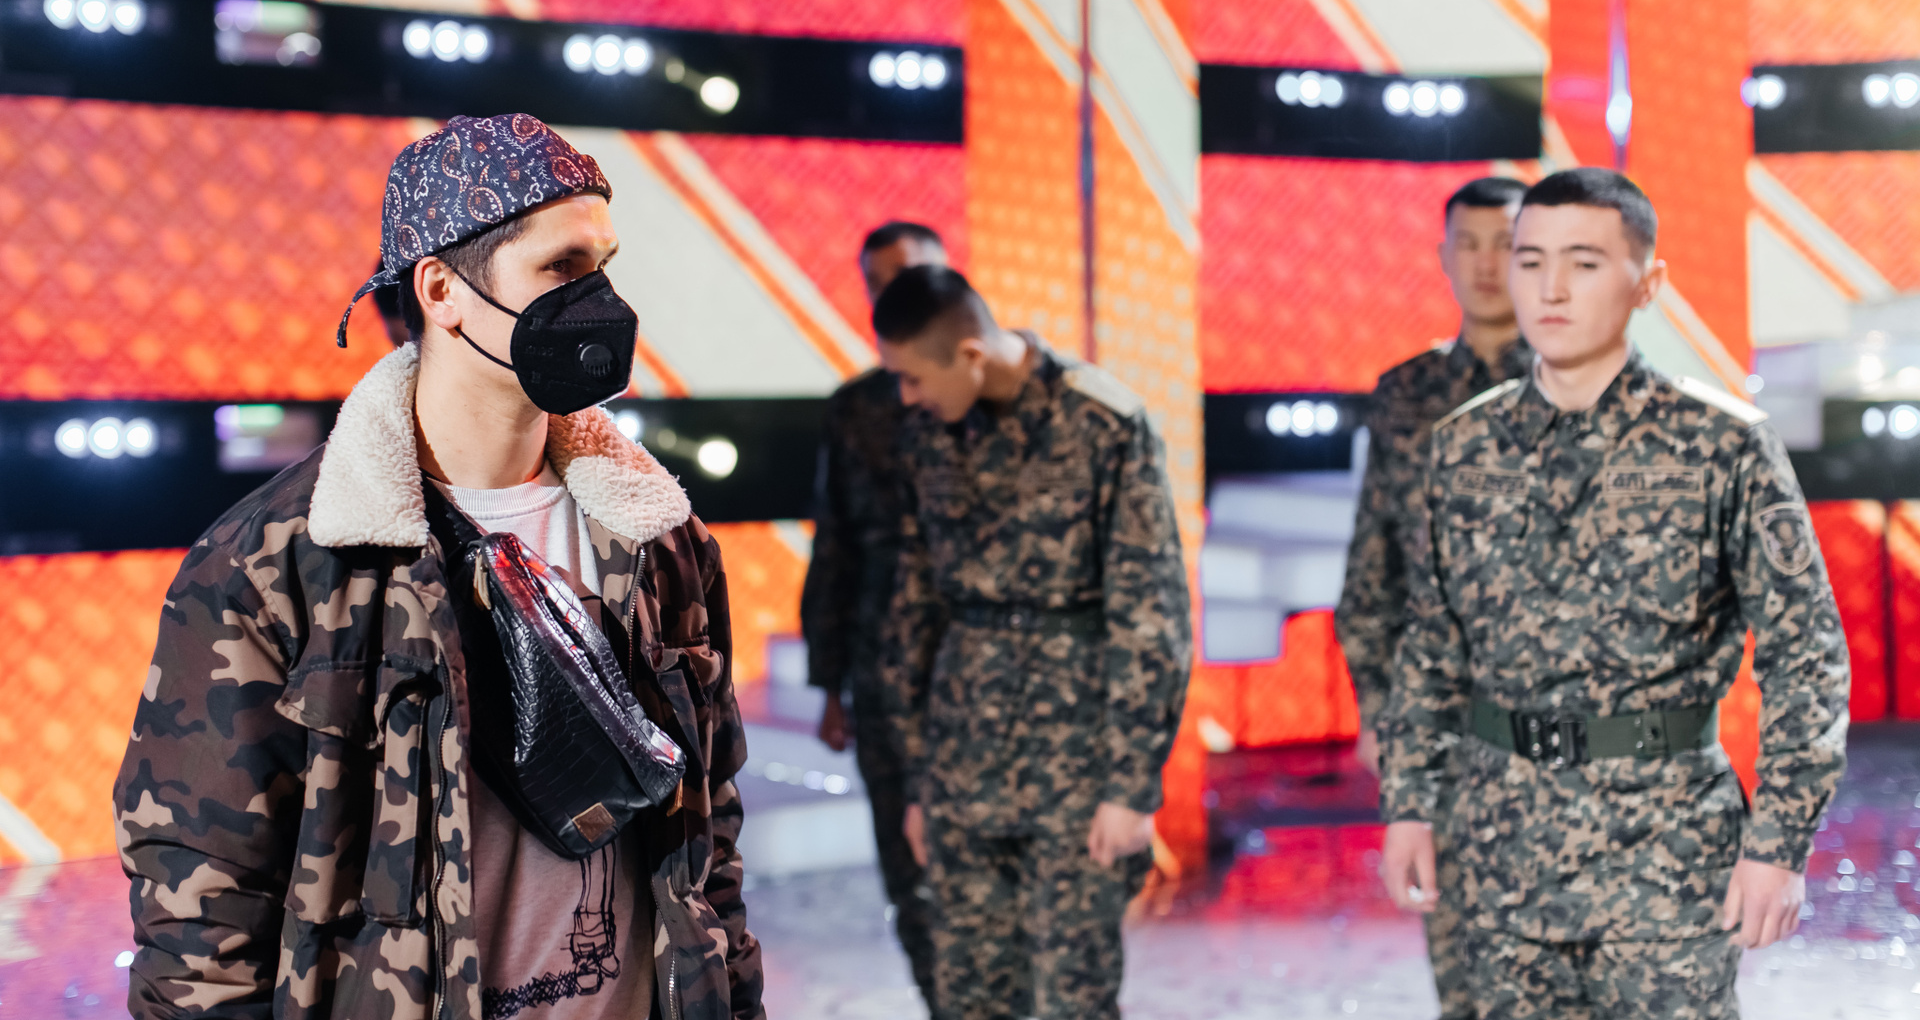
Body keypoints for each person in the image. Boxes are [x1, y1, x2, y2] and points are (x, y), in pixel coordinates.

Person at [115, 114, 764, 1020]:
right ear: (441, 290)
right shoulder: (276, 567)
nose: (602, 301)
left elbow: (708, 842)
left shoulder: (659, 539)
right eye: (562, 268)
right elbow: (202, 911)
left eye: (604, 265)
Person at [1378, 168, 1850, 1019]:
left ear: (1647, 283)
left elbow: (1805, 655)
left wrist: (1780, 844)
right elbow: (1432, 646)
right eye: (1530, 261)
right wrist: (1410, 802)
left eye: (1585, 263)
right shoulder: (1463, 447)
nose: (1551, 289)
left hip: (1667, 854)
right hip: (1501, 849)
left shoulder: (1721, 445)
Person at [875, 266, 1192, 1020]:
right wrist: (918, 781)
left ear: (970, 356)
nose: (906, 398)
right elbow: (913, 610)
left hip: (1075, 773)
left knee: (1072, 999)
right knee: (969, 997)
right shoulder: (926, 436)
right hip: (961, 768)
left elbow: (1151, 611)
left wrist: (1131, 785)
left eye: (914, 378)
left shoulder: (1104, 422)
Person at [1335, 174, 1530, 1019]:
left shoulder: (1580, 384)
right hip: (1439, 710)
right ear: (1444, 257)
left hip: (1563, 709)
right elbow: (1371, 569)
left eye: (1507, 245)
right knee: (1461, 964)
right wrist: (1377, 708)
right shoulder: (1404, 394)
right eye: (1470, 244)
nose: (1488, 264)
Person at [798, 219, 949, 1009]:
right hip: (882, 676)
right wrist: (830, 686)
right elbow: (836, 547)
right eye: (879, 281)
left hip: (975, 671)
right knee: (909, 872)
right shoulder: (854, 408)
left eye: (910, 274)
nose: (894, 293)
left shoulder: (991, 397)